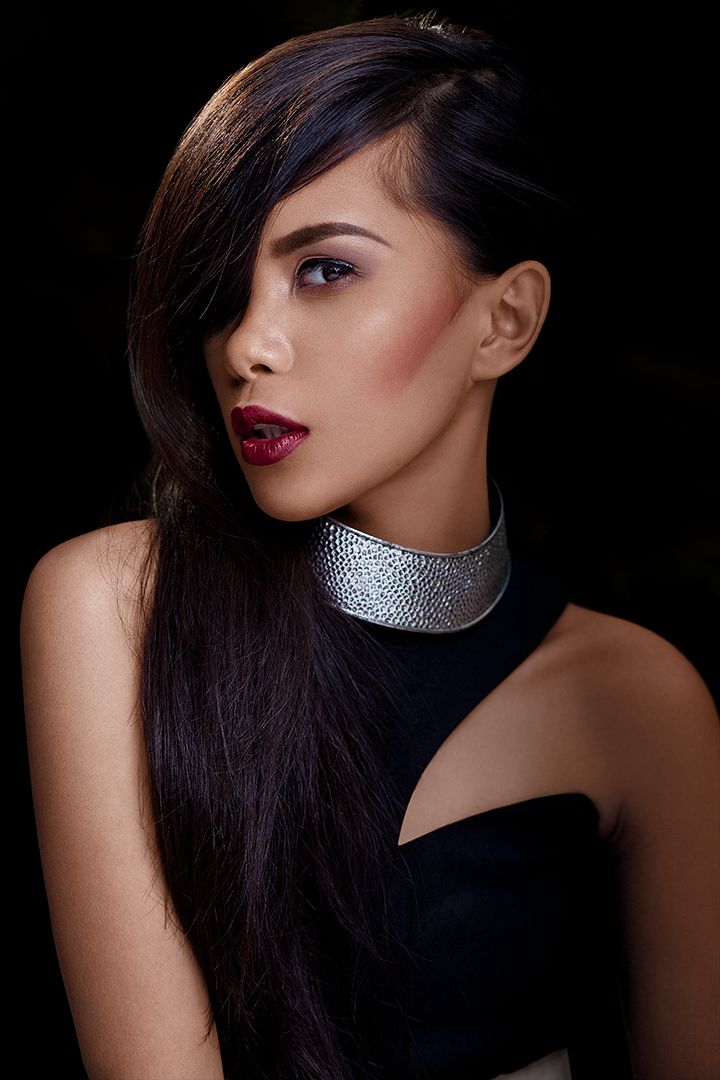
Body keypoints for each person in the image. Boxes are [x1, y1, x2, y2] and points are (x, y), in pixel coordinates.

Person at [19, 11, 719, 1080]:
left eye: (325, 271)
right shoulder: (114, 608)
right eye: (220, 290)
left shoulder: (640, 700)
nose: (247, 345)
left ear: (505, 321)